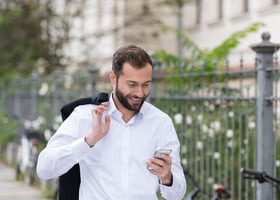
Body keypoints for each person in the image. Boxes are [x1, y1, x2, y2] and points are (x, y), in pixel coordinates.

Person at [36, 45, 186, 200]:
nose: (140, 93)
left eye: (146, 84)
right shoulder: (84, 117)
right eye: (132, 84)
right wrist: (89, 140)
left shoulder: (161, 123)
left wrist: (168, 178)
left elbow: (177, 195)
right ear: (113, 78)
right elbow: (44, 168)